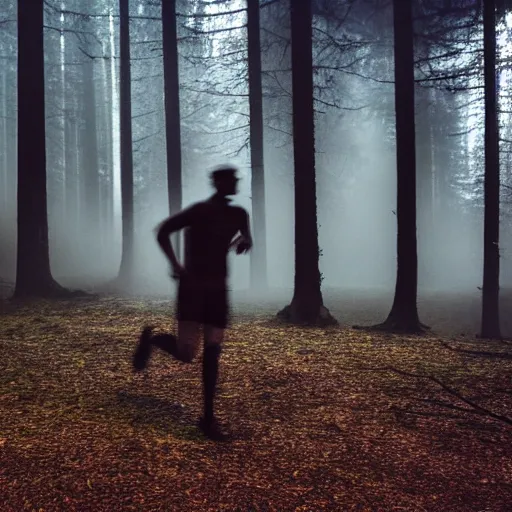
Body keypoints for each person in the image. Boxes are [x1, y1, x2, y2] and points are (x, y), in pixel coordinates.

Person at [132, 165, 252, 441]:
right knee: (187, 354)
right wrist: (175, 264)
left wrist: (244, 241)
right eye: (230, 179)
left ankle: (208, 419)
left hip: (218, 289)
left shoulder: (238, 213)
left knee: (213, 350)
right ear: (217, 183)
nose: (235, 183)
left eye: (236, 179)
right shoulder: (198, 211)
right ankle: (150, 340)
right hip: (192, 288)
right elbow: (162, 231)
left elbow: (247, 239)